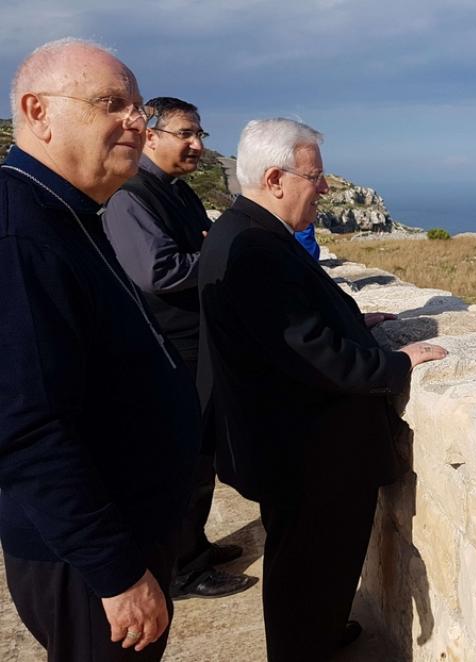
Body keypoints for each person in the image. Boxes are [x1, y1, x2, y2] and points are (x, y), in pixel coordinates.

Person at [198, 117, 447, 661]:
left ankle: (320, 633)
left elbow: (285, 325)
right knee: (309, 564)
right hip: (307, 452)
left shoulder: (242, 232)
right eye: (316, 177)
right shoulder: (257, 249)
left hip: (284, 442)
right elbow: (313, 353)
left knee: (304, 563)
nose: (326, 188)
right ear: (276, 179)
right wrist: (397, 361)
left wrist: (357, 323)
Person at [0, 39, 200, 660]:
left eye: (138, 107)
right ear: (38, 112)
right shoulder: (20, 234)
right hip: (89, 556)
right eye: (112, 103)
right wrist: (114, 571)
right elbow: (24, 426)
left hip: (122, 528)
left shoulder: (69, 213)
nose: (136, 121)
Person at [103, 97, 253, 600]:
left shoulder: (177, 193)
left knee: (199, 456)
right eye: (187, 133)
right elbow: (158, 272)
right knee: (183, 461)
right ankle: (182, 569)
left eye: (200, 134)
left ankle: (195, 546)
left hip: (194, 345)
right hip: (168, 351)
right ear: (151, 136)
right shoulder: (132, 196)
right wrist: (215, 255)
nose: (198, 144)